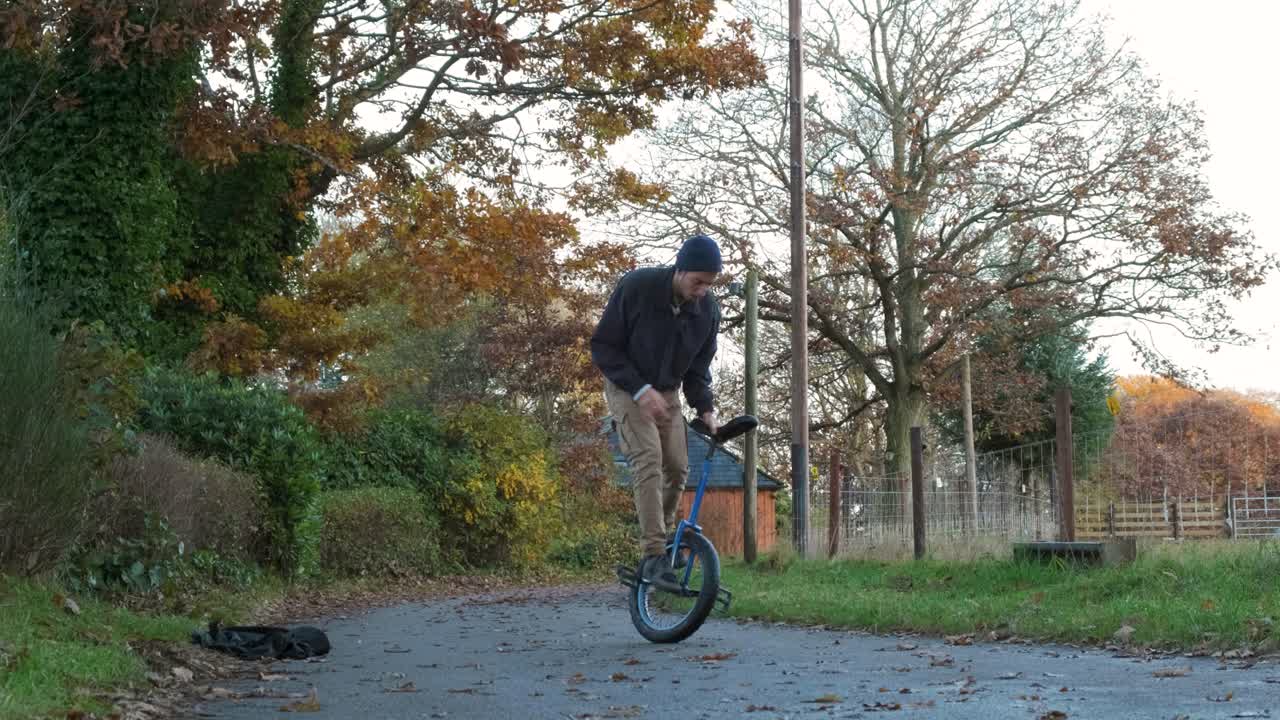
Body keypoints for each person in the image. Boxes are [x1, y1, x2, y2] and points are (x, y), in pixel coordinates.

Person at [590, 233, 722, 591]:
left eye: (709, 285)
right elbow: (603, 346)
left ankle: (663, 541)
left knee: (678, 467)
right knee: (648, 459)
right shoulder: (637, 288)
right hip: (627, 386)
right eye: (698, 282)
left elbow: (698, 370)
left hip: (667, 392)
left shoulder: (707, 312)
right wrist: (639, 389)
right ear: (680, 270)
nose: (702, 291)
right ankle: (652, 554)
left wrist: (706, 407)